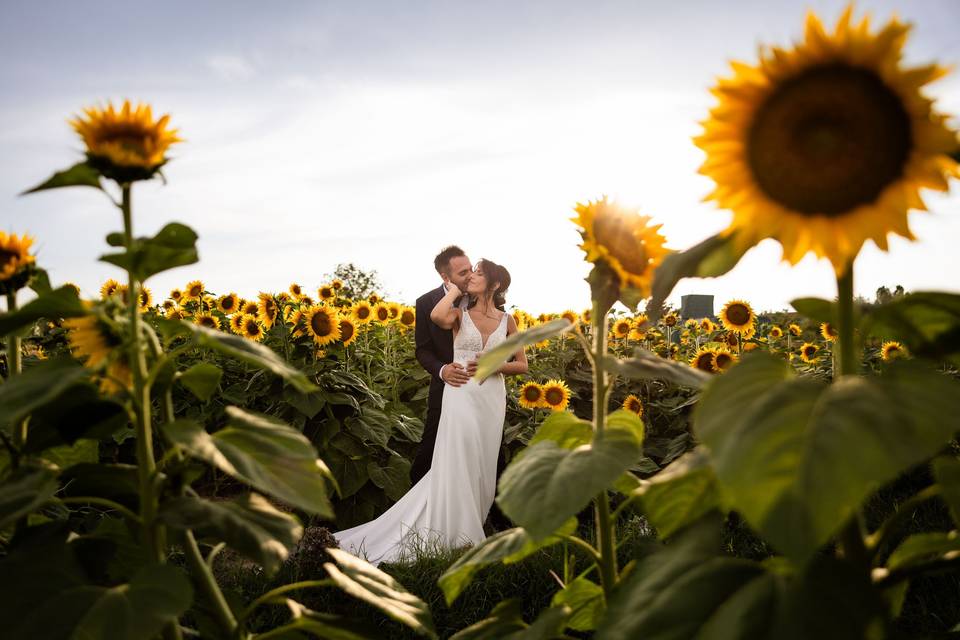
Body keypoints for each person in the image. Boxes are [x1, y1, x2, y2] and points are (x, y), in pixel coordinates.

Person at [332, 258, 527, 565]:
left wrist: (495, 365)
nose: (472, 276)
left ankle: (474, 520)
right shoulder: (459, 313)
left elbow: (522, 364)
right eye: (470, 272)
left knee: (483, 464)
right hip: (460, 392)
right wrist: (451, 290)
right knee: (459, 459)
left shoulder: (508, 320)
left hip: (491, 397)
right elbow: (436, 315)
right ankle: (461, 535)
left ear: (496, 283)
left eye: (478, 272)